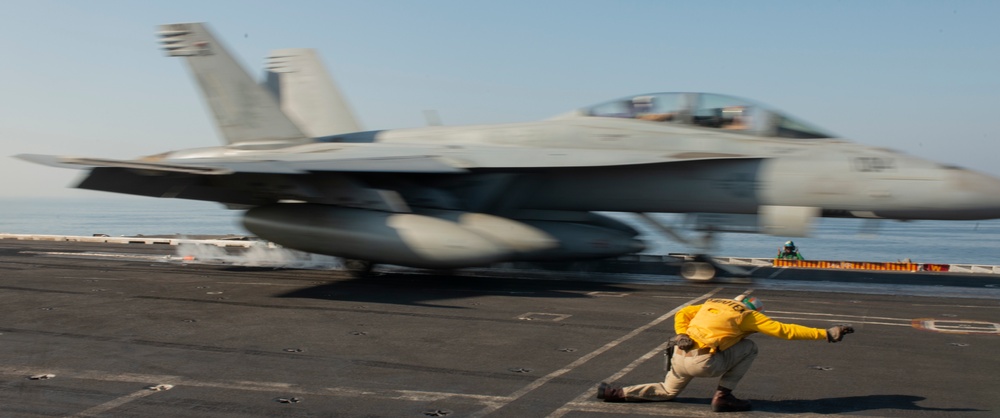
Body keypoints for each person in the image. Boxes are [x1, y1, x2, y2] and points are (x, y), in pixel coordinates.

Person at [596, 294, 854, 412]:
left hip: (679, 356)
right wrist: (826, 334)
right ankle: (724, 396)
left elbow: (682, 312)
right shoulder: (748, 315)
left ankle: (614, 393)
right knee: (750, 347)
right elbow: (785, 331)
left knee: (667, 391)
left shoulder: (713, 303)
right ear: (754, 309)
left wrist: (682, 333)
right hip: (705, 363)